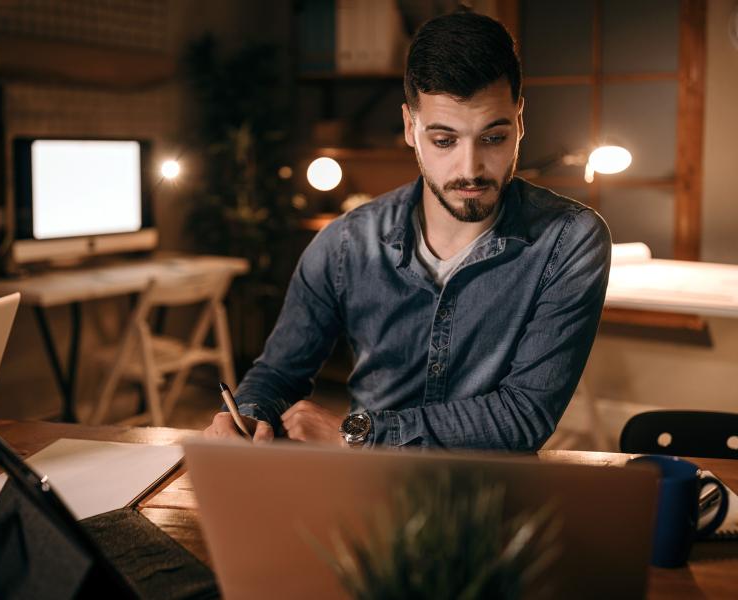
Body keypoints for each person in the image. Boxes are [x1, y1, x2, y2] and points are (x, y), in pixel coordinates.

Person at [203, 9, 611, 450]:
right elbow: (278, 373)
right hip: (363, 489)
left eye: (493, 137)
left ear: (520, 120)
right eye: (444, 140)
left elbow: (523, 417)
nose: (470, 168)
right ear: (409, 128)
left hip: (489, 497)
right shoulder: (345, 243)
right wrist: (249, 415)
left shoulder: (570, 240)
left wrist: (355, 433)